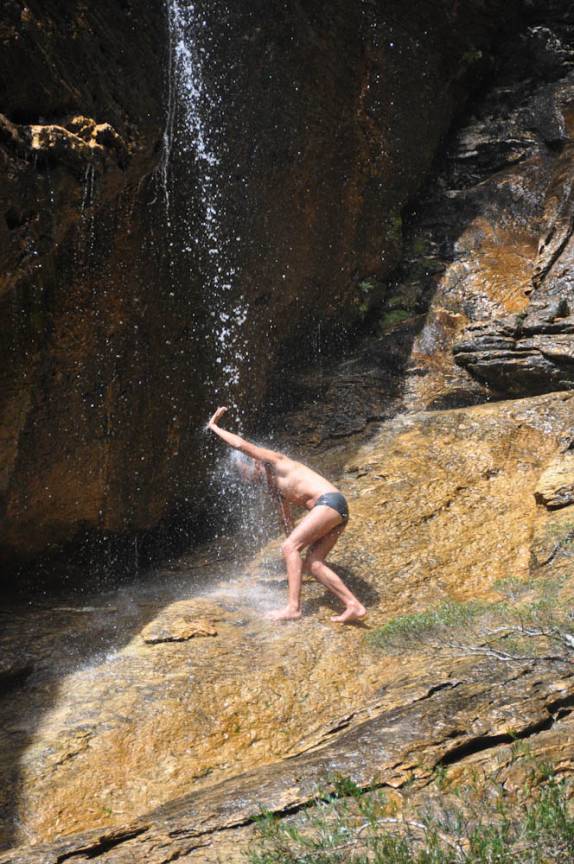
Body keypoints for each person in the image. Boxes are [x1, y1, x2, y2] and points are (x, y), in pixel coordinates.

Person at [207, 406, 366, 623]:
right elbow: (286, 521)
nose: (249, 481)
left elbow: (239, 444)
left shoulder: (275, 460)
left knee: (290, 547)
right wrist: (293, 555)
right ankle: (353, 605)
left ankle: (293, 608)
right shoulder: (274, 488)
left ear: (254, 463)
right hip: (336, 510)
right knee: (314, 564)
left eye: (247, 474)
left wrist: (214, 427)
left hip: (329, 501)